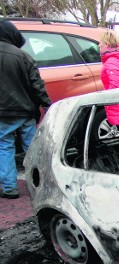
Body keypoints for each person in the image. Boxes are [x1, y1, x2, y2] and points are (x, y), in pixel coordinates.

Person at [0, 19, 51, 199]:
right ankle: (42, 183)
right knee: (32, 148)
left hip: (2, 115)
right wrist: (46, 104)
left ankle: (10, 188)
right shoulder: (22, 56)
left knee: (4, 148)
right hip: (25, 111)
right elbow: (37, 85)